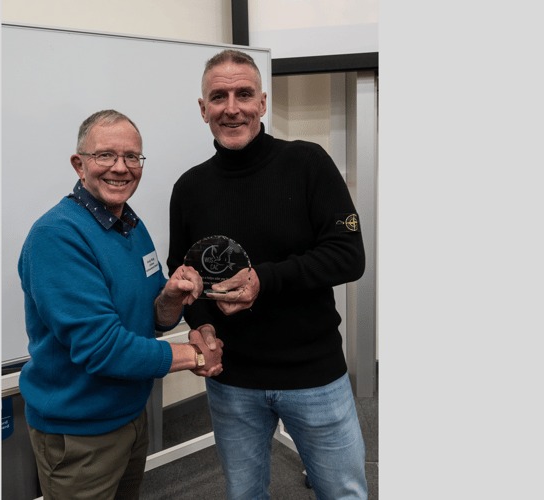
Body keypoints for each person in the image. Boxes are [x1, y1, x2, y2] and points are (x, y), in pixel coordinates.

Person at [167, 50, 368, 500]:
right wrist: (199, 323)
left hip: (314, 375)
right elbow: (183, 275)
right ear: (203, 109)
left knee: (343, 493)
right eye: (218, 96)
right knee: (245, 495)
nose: (231, 107)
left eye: (244, 94)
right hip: (232, 381)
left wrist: (264, 280)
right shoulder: (189, 188)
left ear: (263, 102)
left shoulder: (308, 163)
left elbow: (348, 255)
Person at [18, 109, 223, 500]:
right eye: (105, 156)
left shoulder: (129, 222)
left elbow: (152, 320)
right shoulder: (56, 237)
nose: (121, 167)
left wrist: (169, 297)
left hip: (130, 414)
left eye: (132, 156)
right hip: (80, 432)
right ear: (80, 165)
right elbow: (102, 347)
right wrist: (197, 356)